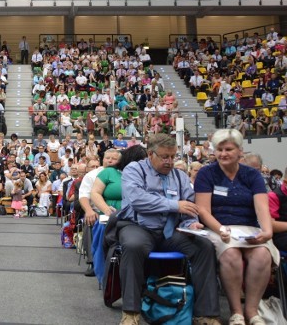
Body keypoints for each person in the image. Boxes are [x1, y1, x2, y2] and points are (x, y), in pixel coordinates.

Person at [115, 133, 220, 325]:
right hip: (139, 226)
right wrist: (174, 206)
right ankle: (131, 312)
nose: (170, 162)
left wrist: (191, 224)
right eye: (165, 157)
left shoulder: (179, 176)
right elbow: (138, 200)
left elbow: (189, 204)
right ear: (150, 154)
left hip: (171, 232)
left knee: (204, 247)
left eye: (173, 157)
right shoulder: (134, 170)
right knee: (132, 245)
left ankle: (206, 314)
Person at [195, 129, 277, 325]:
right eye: (219, 149)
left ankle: (252, 310)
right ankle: (236, 311)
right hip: (218, 228)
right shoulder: (206, 173)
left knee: (262, 255)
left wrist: (267, 232)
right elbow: (203, 211)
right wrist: (221, 229)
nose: (223, 153)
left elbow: (262, 207)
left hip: (248, 228)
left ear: (240, 151)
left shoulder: (252, 175)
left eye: (228, 149)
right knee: (231, 254)